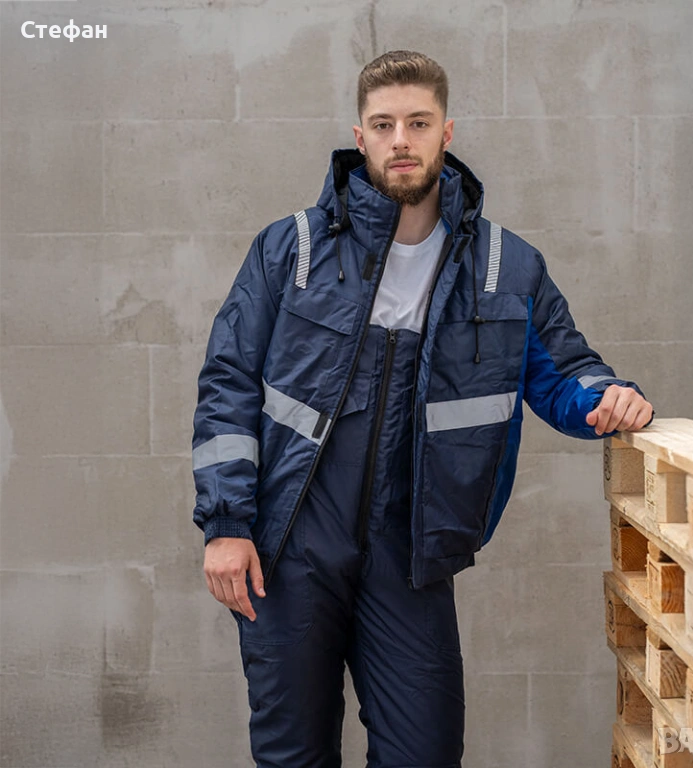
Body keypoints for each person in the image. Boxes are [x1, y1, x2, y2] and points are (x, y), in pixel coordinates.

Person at [191, 50, 654, 768]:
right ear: (360, 136)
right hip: (291, 550)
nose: (400, 140)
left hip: (411, 554)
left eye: (418, 122)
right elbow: (228, 384)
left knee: (425, 753)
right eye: (383, 125)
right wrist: (225, 523)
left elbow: (567, 374)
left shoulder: (505, 268)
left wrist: (610, 398)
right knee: (292, 756)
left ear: (447, 132)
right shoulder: (291, 251)